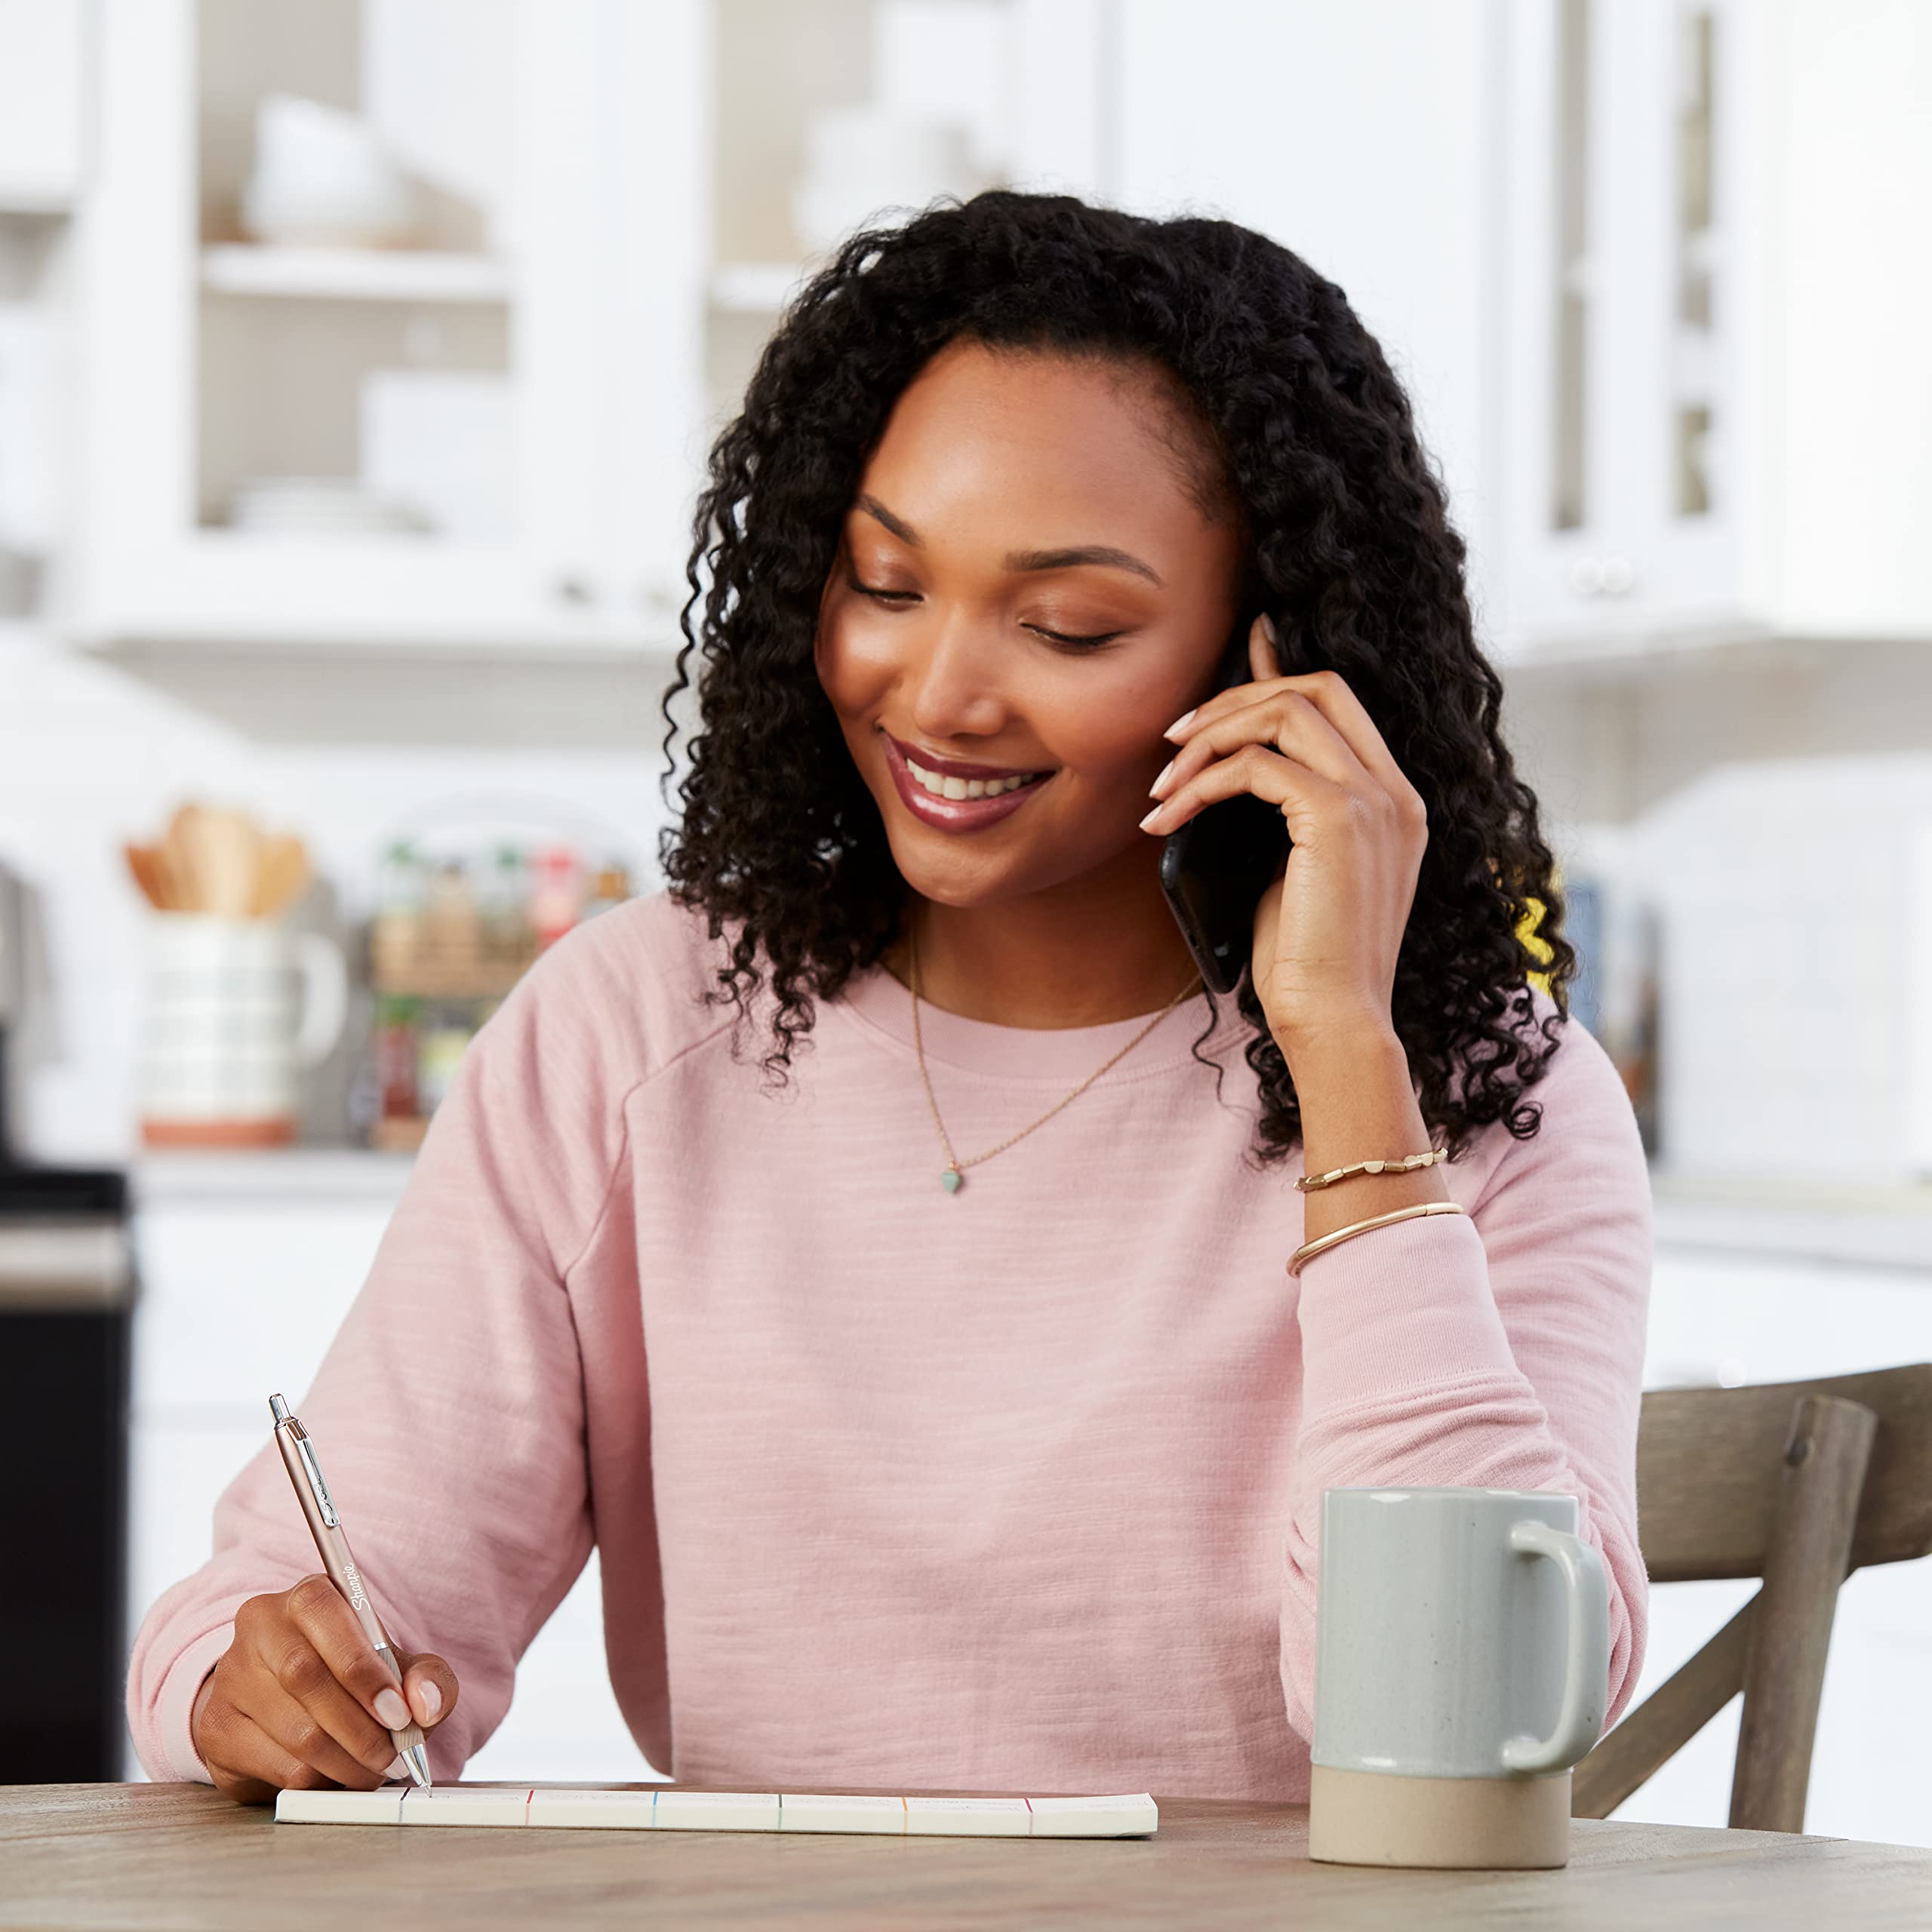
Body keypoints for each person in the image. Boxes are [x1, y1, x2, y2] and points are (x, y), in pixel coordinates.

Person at [128, 189, 1651, 1805]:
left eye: (1067, 623)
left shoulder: (1490, 1095)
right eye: (884, 584)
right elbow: (285, 1635)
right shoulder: (637, 1031)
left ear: (1264, 654)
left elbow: (1468, 1718)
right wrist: (259, 1687)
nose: (935, 694)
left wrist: (1344, 1050)